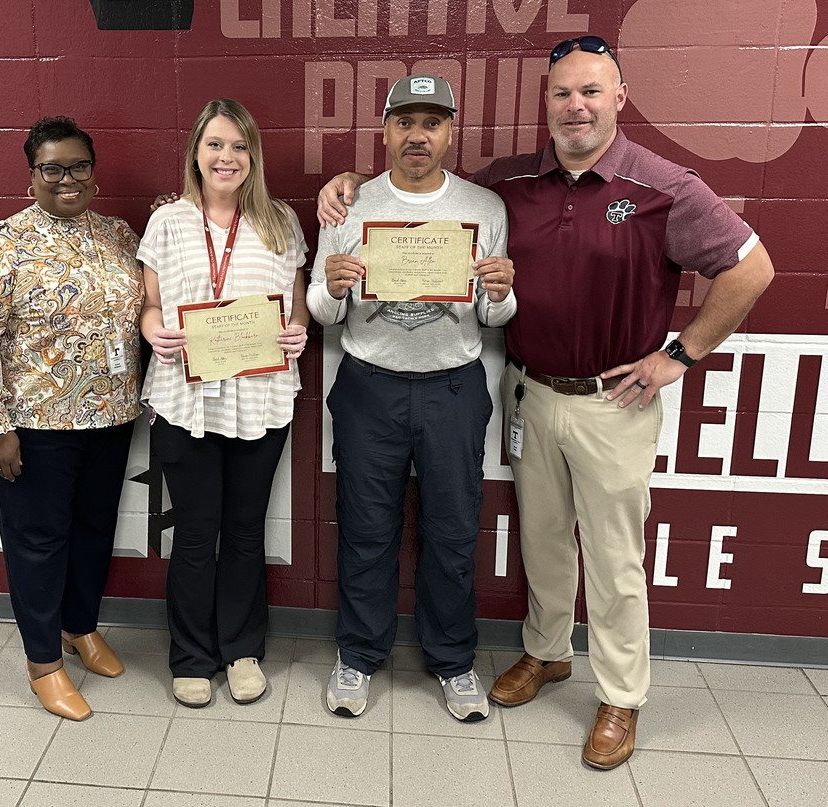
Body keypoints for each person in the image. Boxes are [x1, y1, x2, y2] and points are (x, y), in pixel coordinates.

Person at [317, 38, 774, 767]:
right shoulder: (512, 184)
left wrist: (679, 354)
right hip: (530, 391)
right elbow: (416, 181)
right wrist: (347, 183)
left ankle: (621, 696)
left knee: (615, 558)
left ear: (619, 98)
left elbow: (753, 267)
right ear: (547, 105)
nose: (577, 107)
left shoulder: (662, 185)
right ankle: (547, 653)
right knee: (546, 542)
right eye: (563, 94)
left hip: (611, 400)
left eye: (591, 92)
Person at [309, 75, 516, 722]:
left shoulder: (484, 207)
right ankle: (359, 653)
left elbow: (494, 316)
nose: (417, 136)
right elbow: (321, 313)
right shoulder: (349, 205)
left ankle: (453, 660)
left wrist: (504, 289)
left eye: (431, 123)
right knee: (367, 530)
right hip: (371, 384)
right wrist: (334, 289)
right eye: (404, 122)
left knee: (453, 531)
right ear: (386, 130)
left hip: (453, 388)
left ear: (452, 130)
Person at [0, 116, 144, 721]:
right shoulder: (0, 243)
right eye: (52, 168)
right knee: (38, 545)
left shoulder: (118, 235)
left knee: (94, 530)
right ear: (32, 174)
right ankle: (44, 662)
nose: (68, 178)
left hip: (110, 417)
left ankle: (80, 629)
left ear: (93, 168)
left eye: (79, 165)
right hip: (34, 425)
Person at [139, 99, 309, 708]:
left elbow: (296, 307)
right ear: (196, 153)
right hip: (186, 401)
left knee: (243, 533)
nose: (227, 157)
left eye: (239, 146)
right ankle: (190, 656)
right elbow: (150, 304)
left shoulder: (282, 222)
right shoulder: (167, 223)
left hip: (259, 400)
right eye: (215, 144)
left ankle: (241, 651)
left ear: (253, 156)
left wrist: (299, 332)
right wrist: (152, 329)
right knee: (193, 534)